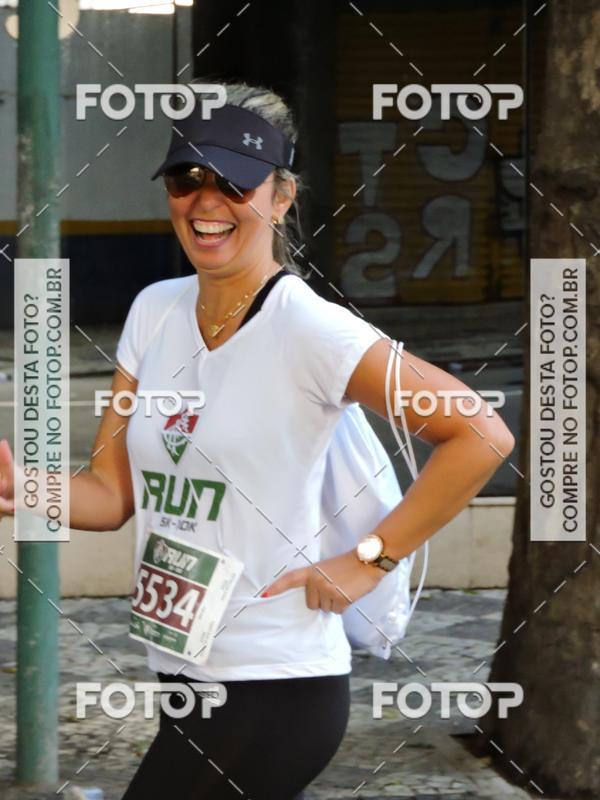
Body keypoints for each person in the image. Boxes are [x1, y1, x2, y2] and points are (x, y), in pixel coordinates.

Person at [0, 80, 515, 799]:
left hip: (276, 685)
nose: (207, 202)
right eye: (188, 178)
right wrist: (25, 492)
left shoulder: (311, 331)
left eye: (236, 182)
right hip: (184, 676)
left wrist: (370, 559)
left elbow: (479, 433)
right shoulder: (154, 311)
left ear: (281, 196)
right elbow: (112, 494)